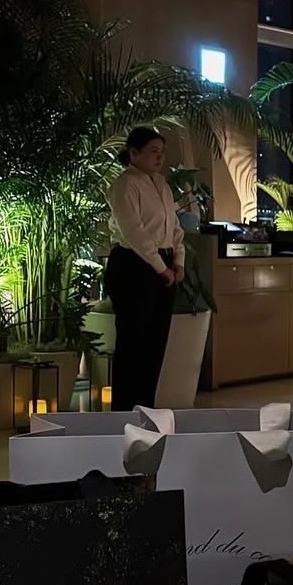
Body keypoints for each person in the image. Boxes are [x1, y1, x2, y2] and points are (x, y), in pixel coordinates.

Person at [105, 127, 185, 411]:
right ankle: (124, 411)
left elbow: (174, 227)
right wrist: (160, 268)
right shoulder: (125, 185)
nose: (159, 157)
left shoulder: (161, 184)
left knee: (155, 343)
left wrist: (178, 261)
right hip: (133, 266)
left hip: (163, 264)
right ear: (134, 153)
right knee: (133, 342)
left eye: (162, 152)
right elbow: (134, 232)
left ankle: (146, 408)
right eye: (153, 151)